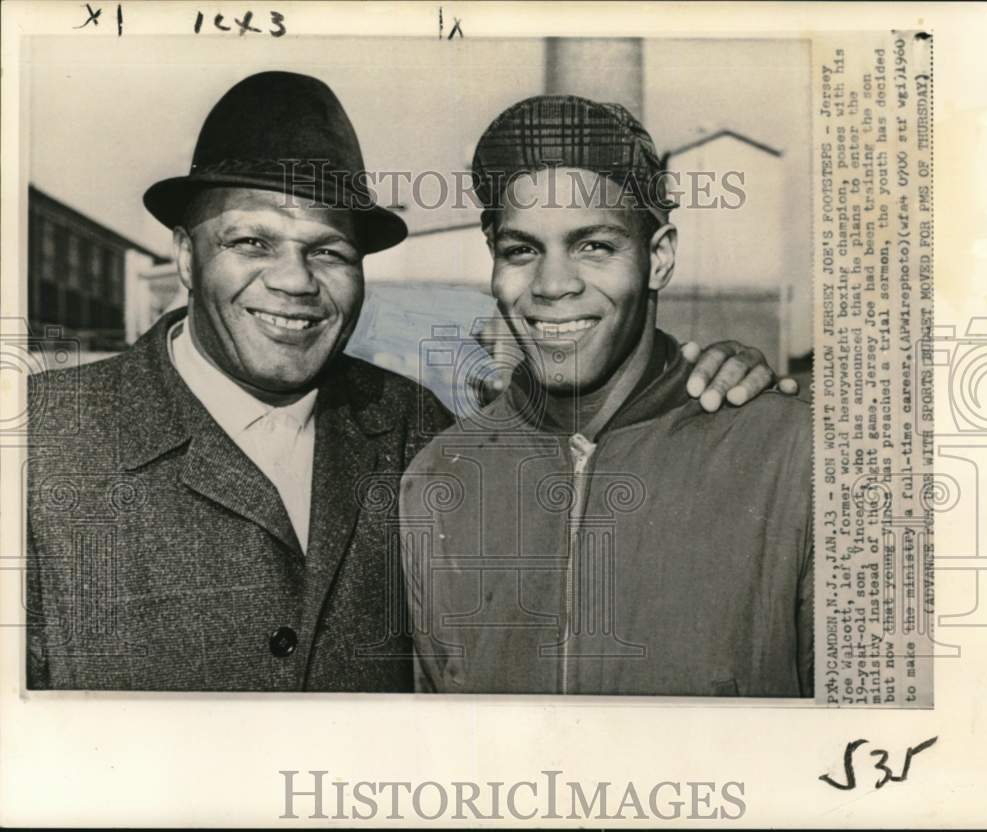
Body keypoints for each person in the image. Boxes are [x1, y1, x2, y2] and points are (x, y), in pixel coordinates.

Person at [26, 73, 791, 691]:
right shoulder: (38, 443)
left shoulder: (412, 429)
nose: (293, 281)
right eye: (252, 241)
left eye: (328, 251)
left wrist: (704, 380)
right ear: (187, 259)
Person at [400, 95, 814, 697]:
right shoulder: (438, 478)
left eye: (594, 246)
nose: (553, 285)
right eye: (522, 250)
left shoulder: (791, 455)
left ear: (659, 257)